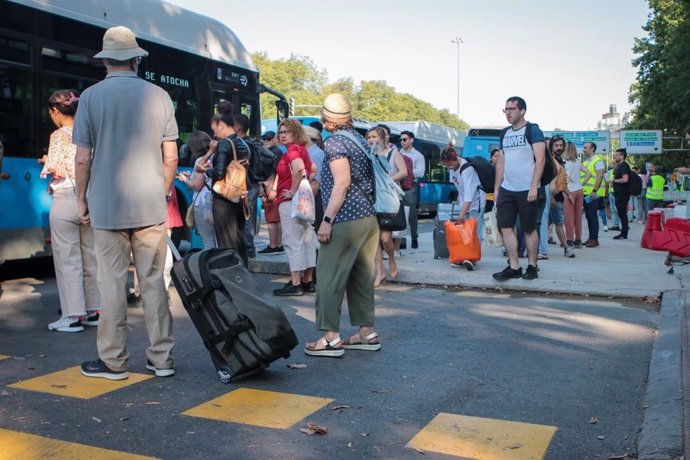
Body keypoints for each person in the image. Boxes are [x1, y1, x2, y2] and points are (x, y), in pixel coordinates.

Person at [73, 26, 178, 380]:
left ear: (105, 62)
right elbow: (172, 156)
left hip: (106, 206)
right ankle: (161, 359)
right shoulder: (160, 96)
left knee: (112, 284)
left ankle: (114, 361)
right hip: (150, 206)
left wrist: (81, 201)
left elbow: (83, 158)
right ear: (136, 59)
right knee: (153, 283)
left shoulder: (90, 98)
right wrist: (162, 191)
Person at [305, 93, 381, 357]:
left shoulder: (336, 142)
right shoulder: (358, 139)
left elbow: (342, 182)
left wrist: (326, 219)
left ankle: (330, 338)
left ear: (327, 119)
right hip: (368, 218)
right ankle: (366, 332)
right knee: (361, 277)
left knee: (328, 276)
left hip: (345, 218)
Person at [40, 89, 100, 332]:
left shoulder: (58, 135)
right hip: (90, 199)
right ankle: (94, 310)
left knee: (68, 259)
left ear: (55, 111)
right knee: (90, 257)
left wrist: (46, 163)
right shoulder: (90, 133)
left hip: (66, 198)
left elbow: (57, 169)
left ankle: (73, 315)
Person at [492, 96, 545, 281]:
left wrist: (533, 187)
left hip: (527, 189)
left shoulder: (533, 130)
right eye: (505, 109)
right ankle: (514, 266)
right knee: (505, 226)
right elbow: (501, 161)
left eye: (512, 109)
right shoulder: (504, 133)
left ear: (522, 110)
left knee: (529, 229)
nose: (508, 113)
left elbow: (541, 160)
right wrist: (497, 189)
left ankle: (532, 266)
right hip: (508, 188)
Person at [272, 118, 317, 297]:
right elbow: (312, 169)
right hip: (304, 202)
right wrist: (306, 185)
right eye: (280, 132)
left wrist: (292, 190)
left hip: (291, 203)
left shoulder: (292, 151)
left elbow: (299, 170)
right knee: (307, 240)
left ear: (295, 132)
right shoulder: (302, 149)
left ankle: (296, 283)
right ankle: (308, 280)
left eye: (286, 132)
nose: (282, 135)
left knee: (292, 242)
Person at [202, 105, 251, 264]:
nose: (214, 133)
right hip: (239, 195)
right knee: (238, 238)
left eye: (214, 129)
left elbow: (219, 173)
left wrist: (206, 170)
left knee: (225, 241)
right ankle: (242, 273)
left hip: (224, 198)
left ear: (221, 125)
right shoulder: (242, 143)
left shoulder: (224, 143)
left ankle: (230, 275)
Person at [366, 126, 407, 286]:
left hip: (390, 199)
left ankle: (391, 259)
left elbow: (404, 172)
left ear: (382, 138)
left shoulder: (393, 153)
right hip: (372, 199)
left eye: (374, 136)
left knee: (385, 237)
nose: (371, 140)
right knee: (375, 238)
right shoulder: (369, 155)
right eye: (368, 137)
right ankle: (380, 272)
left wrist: (388, 181)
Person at [440, 145, 486, 270]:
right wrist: (459, 204)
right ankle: (464, 255)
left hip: (476, 203)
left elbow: (469, 197)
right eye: (446, 165)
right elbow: (460, 188)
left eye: (449, 164)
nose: (448, 167)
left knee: (474, 231)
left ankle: (472, 258)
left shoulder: (467, 169)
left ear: (455, 159)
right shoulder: (452, 168)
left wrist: (461, 215)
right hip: (464, 202)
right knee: (464, 231)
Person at [177, 131, 217, 250]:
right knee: (216, 239)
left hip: (203, 203)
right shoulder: (216, 157)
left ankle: (208, 267)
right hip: (216, 201)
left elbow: (197, 185)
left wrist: (184, 179)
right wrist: (191, 175)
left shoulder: (200, 160)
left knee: (207, 241)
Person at [234, 114, 258, 259]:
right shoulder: (252, 142)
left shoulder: (242, 144)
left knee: (245, 217)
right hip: (252, 184)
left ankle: (248, 249)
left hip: (246, 185)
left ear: (237, 128)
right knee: (247, 216)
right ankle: (248, 248)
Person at [546, 136, 575, 258]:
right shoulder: (550, 160)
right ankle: (566, 247)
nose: (559, 148)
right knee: (559, 222)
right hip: (552, 197)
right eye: (556, 145)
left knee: (545, 223)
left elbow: (561, 181)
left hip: (558, 196)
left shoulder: (559, 160)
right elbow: (549, 181)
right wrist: (551, 197)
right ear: (551, 146)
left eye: (561, 145)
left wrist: (568, 194)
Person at [257, 130, 284, 255]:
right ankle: (277, 244)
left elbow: (279, 172)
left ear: (275, 139)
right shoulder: (275, 152)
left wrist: (273, 189)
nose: (265, 141)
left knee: (272, 219)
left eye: (268, 138)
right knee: (275, 218)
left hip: (272, 189)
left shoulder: (275, 152)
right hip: (272, 188)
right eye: (264, 138)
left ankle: (274, 245)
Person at [399, 130, 424, 249]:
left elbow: (420, 172)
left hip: (410, 188)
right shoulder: (397, 153)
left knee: (412, 215)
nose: (402, 142)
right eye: (401, 140)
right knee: (400, 215)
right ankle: (401, 240)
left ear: (411, 140)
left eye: (404, 139)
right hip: (398, 187)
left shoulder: (418, 155)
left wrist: (405, 171)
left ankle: (414, 237)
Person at [581, 142, 606, 248]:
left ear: (592, 149)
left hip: (594, 194)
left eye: (586, 148)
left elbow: (600, 176)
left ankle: (594, 239)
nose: (584, 150)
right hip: (587, 193)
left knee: (592, 216)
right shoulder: (587, 162)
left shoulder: (598, 161)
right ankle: (591, 238)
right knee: (589, 216)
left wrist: (594, 191)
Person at [611, 148, 632, 240]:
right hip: (619, 193)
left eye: (616, 155)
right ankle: (623, 232)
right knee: (621, 212)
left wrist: (614, 180)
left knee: (622, 213)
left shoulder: (624, 166)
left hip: (622, 193)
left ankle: (624, 233)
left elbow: (625, 179)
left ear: (622, 156)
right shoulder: (620, 166)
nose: (615, 157)